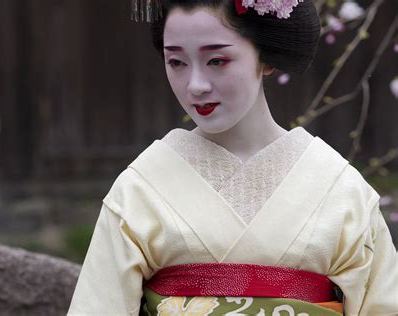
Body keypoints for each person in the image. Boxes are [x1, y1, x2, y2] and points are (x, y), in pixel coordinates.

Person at [67, 0, 397, 315]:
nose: (195, 85)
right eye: (177, 62)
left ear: (265, 57)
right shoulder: (139, 187)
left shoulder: (339, 187)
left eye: (217, 61)